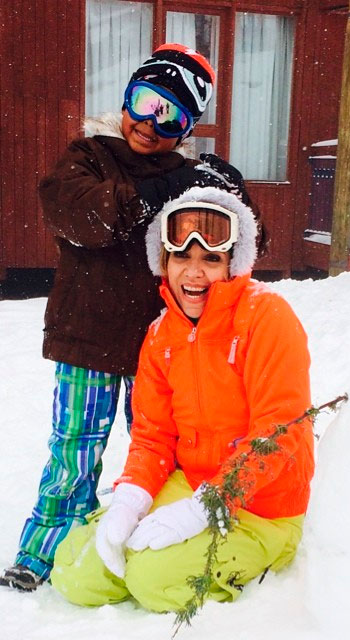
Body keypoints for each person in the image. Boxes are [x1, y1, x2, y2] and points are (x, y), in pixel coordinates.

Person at [0, 43, 251, 591]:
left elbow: (236, 246)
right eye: (145, 101)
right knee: (74, 450)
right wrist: (157, 189)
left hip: (159, 348)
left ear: (188, 126)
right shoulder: (89, 156)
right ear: (127, 98)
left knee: (162, 452)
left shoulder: (196, 179)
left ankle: (152, 545)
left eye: (172, 115)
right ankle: (45, 551)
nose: (149, 123)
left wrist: (232, 198)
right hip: (86, 338)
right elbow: (83, 216)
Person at [49, 184, 314, 612]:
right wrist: (132, 498)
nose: (194, 273)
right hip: (187, 483)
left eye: (211, 259)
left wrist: (209, 505)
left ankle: (268, 557)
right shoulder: (160, 336)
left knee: (154, 581)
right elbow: (153, 437)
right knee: (78, 572)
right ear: (163, 261)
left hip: (263, 507)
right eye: (182, 257)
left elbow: (278, 433)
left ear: (233, 264)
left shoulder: (266, 317)